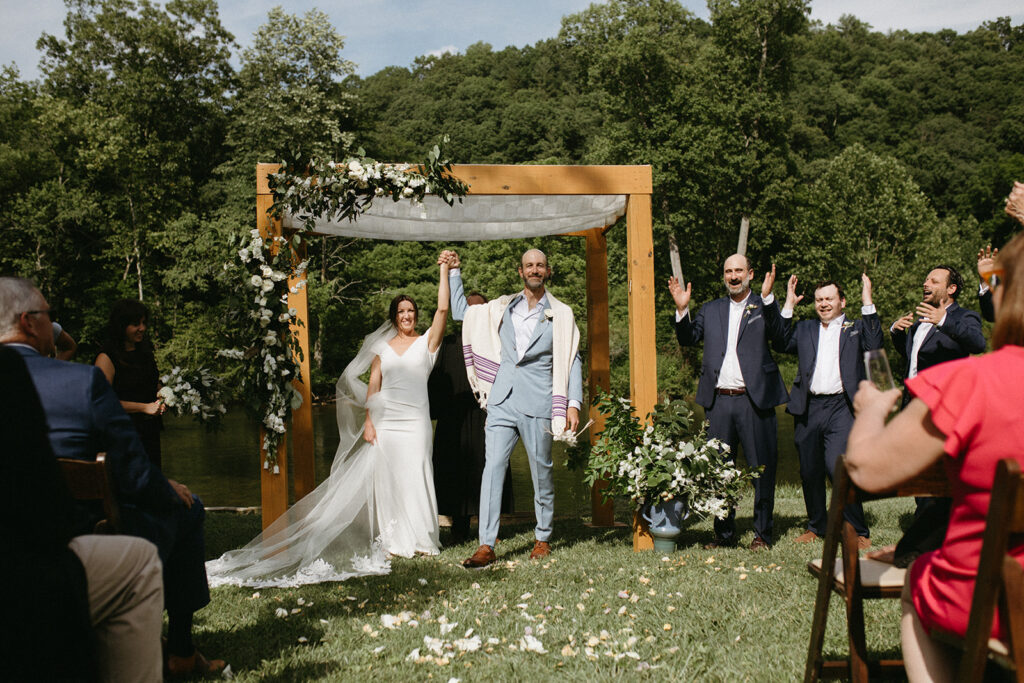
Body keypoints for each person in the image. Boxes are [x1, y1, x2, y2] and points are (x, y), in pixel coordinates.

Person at [0, 276, 224, 676]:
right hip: (81, 531)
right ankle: (182, 650)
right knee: (189, 509)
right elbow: (136, 476)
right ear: (28, 322)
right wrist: (169, 491)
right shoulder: (79, 380)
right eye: (50, 317)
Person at [845, 231, 1024, 683]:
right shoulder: (918, 326)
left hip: (995, 594)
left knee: (921, 576)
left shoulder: (971, 380)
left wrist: (871, 411)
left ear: (1003, 293)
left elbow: (866, 470)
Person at [206, 259, 450, 586]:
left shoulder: (427, 344)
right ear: (394, 317)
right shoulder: (382, 348)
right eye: (401, 311)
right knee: (389, 481)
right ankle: (395, 540)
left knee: (417, 472)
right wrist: (369, 422)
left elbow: (443, 311)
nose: (407, 316)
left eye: (411, 311)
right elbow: (373, 385)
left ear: (416, 316)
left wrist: (444, 272)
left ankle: (422, 537)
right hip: (387, 421)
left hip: (416, 422)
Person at [1, 346, 165, 683]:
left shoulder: (139, 357)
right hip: (20, 575)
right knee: (139, 558)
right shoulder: (17, 372)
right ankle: (180, 647)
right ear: (29, 322)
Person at [450, 248, 583, 568]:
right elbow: (459, 312)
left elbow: (572, 357)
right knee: (492, 467)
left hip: (539, 401)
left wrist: (573, 404)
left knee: (541, 470)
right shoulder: (500, 306)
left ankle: (542, 537)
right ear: (520, 271)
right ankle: (485, 544)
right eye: (529, 266)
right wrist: (455, 272)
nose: (534, 270)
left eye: (540, 265)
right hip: (500, 399)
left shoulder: (562, 313)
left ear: (548, 271)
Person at [669, 254, 788, 550]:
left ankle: (762, 534)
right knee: (719, 471)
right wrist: (682, 310)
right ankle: (723, 534)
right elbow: (688, 339)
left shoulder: (763, 306)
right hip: (719, 402)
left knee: (761, 470)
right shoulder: (711, 310)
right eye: (728, 271)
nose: (733, 276)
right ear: (723, 275)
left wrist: (769, 298)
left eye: (738, 271)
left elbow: (780, 336)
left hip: (754, 401)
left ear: (750, 273)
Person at [775, 274, 882, 549]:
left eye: (829, 299)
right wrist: (787, 305)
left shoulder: (855, 328)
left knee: (839, 468)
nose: (823, 304)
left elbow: (874, 346)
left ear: (842, 301)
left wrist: (868, 301)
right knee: (810, 471)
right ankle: (817, 526)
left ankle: (858, 530)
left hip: (841, 407)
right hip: (808, 407)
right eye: (819, 299)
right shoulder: (805, 328)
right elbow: (779, 341)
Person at [427, 288, 514, 543]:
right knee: (454, 470)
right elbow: (436, 381)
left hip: (488, 416)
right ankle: (458, 527)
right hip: (454, 417)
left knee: (489, 467)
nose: (474, 313)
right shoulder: (448, 343)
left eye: (480, 309)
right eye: (469, 308)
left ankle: (490, 528)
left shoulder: (498, 343)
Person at [95, 299, 167, 469]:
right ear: (121, 326)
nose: (142, 328)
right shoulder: (106, 358)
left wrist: (166, 396)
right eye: (136, 324)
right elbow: (103, 403)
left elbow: (152, 385)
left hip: (150, 432)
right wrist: (144, 407)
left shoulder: (145, 353)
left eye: (143, 323)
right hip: (122, 435)